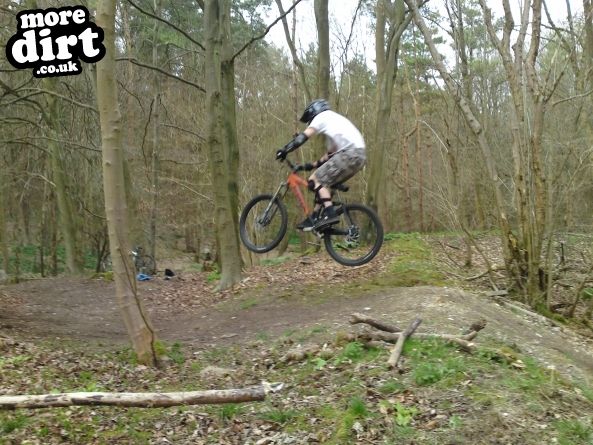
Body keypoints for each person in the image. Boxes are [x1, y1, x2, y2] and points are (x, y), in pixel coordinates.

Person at [276, 99, 366, 231]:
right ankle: (314, 217)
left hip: (349, 154)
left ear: (313, 113)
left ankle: (330, 214)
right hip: (359, 157)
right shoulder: (336, 124)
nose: (310, 123)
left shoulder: (321, 117)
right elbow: (328, 157)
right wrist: (306, 166)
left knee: (314, 180)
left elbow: (302, 138)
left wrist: (285, 150)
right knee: (322, 184)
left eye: (309, 121)